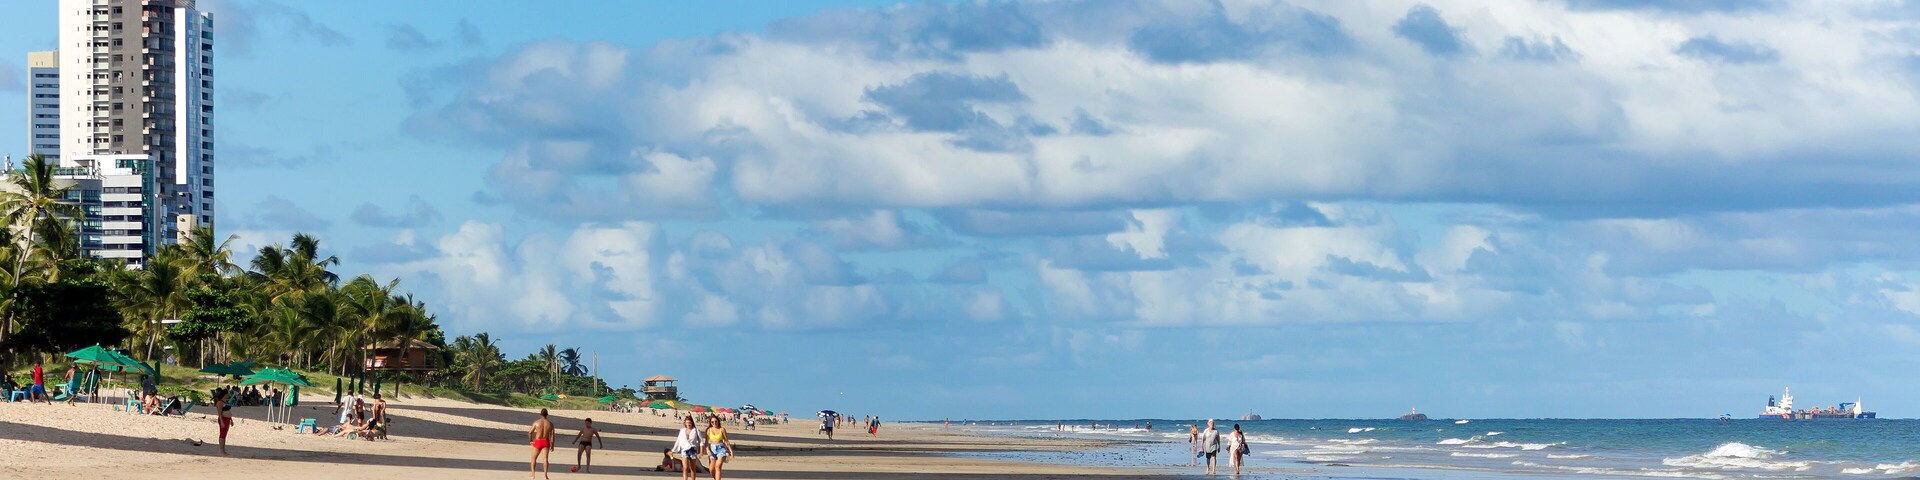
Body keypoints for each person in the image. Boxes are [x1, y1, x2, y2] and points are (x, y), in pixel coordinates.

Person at [528, 409, 556, 479]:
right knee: (545, 459)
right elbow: (552, 436)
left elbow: (530, 432)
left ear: (540, 415)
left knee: (533, 458)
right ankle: (545, 475)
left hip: (538, 441)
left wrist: (531, 440)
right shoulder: (550, 424)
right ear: (547, 415)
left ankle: (533, 475)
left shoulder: (536, 422)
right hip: (546, 442)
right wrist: (552, 445)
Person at [705, 415, 734, 480]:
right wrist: (707, 450)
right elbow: (706, 442)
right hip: (712, 449)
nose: (714, 423)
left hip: (721, 448)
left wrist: (731, 451)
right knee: (711, 470)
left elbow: (726, 441)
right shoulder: (708, 430)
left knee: (718, 466)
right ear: (710, 422)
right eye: (712, 422)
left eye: (716, 421)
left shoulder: (722, 429)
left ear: (718, 421)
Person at [216, 391, 234, 455]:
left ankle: (223, 450)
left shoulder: (225, 401)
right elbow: (219, 413)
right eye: (227, 394)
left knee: (224, 435)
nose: (228, 395)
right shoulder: (220, 402)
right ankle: (221, 450)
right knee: (222, 435)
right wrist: (222, 422)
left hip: (227, 419)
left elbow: (228, 410)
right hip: (223, 419)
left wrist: (231, 420)